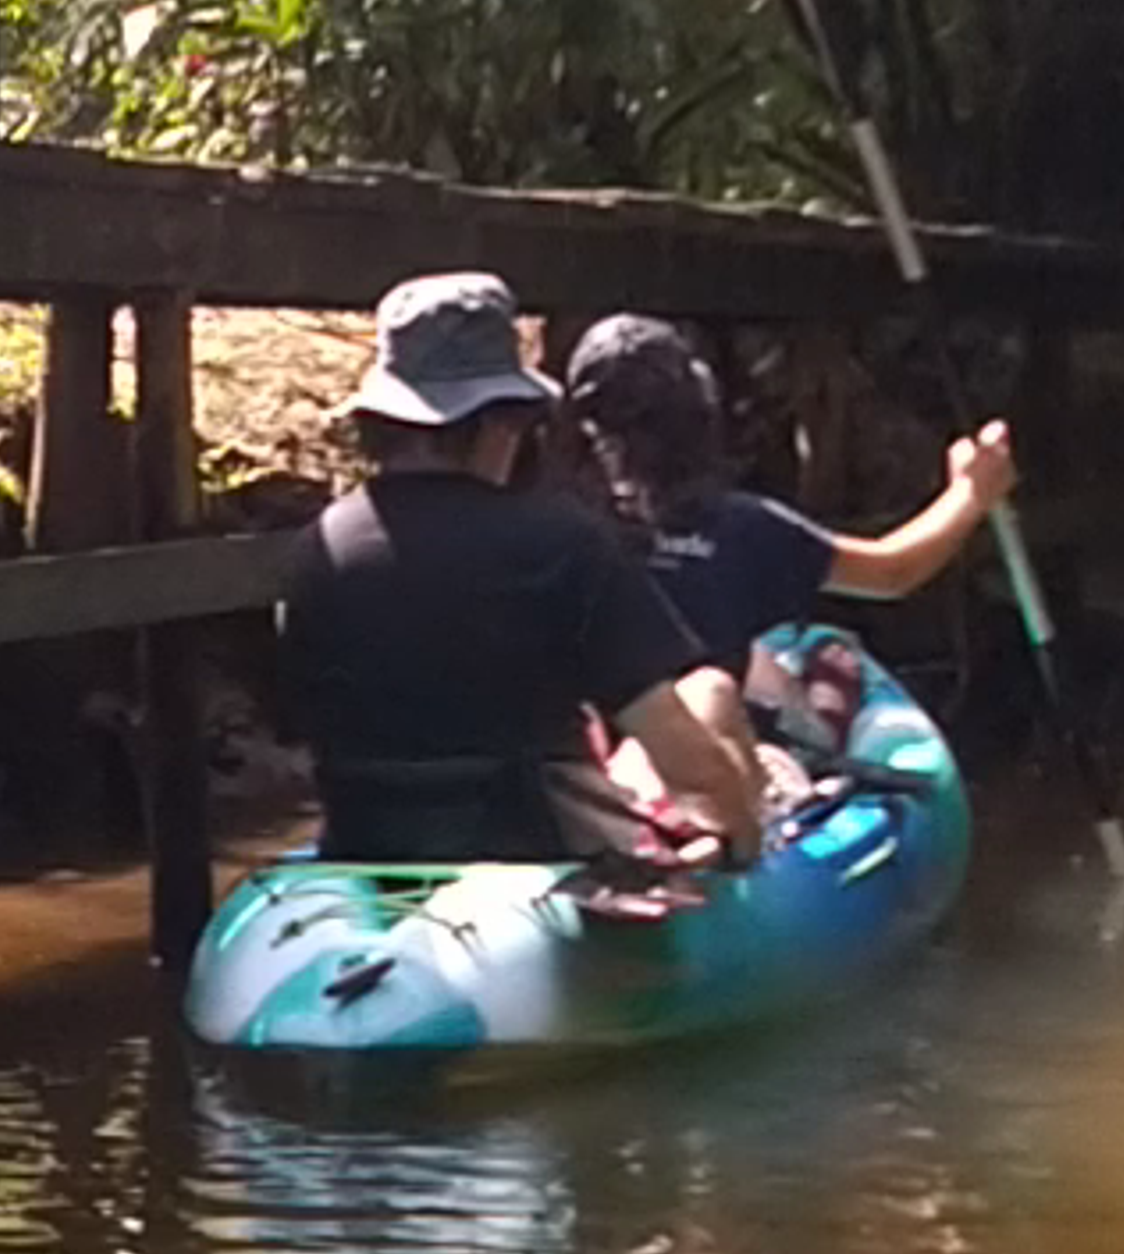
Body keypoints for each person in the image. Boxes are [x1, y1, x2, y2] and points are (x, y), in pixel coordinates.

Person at [276, 270, 769, 873]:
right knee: (709, 692)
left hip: (369, 856)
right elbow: (685, 759)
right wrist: (743, 842)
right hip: (539, 865)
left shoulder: (314, 549)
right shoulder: (563, 543)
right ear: (497, 422)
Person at [560, 312, 1020, 686]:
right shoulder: (746, 526)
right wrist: (972, 491)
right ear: (700, 408)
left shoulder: (575, 531)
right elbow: (892, 572)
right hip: (725, 757)